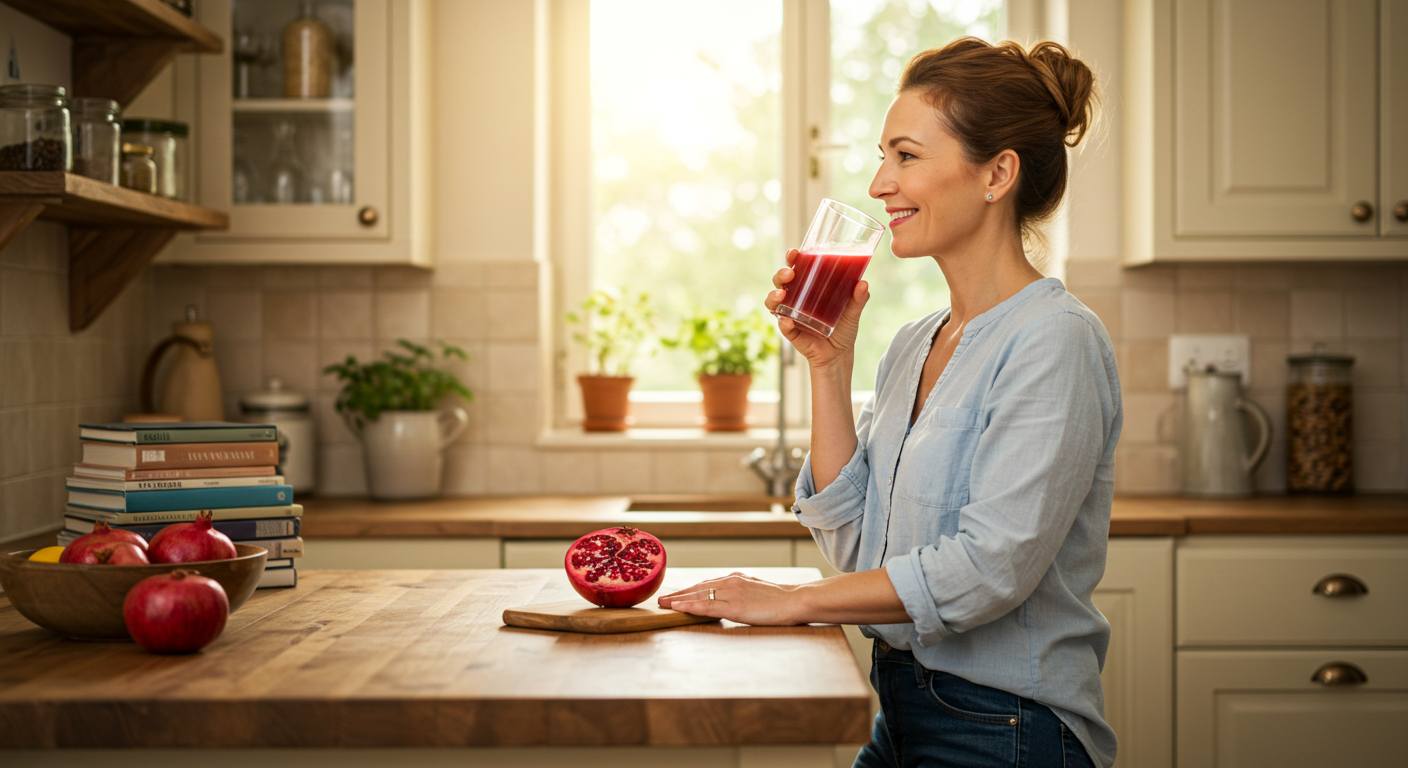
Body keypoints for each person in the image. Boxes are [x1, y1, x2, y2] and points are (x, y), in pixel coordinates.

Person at [658, 37, 1120, 768]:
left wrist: (792, 600)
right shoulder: (914, 343)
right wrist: (829, 365)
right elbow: (856, 546)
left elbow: (989, 570)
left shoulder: (1054, 338)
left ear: (997, 173)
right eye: (883, 157)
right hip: (903, 712)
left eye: (906, 156)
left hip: (1006, 728)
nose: (879, 184)